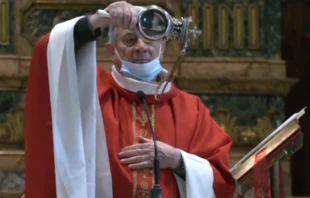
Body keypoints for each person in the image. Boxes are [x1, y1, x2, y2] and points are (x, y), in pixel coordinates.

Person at [24, 1, 235, 198]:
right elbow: (50, 55)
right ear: (111, 51)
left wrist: (178, 160)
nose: (141, 47)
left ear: (163, 47)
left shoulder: (191, 109)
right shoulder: (89, 92)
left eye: (150, 38)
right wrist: (99, 20)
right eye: (130, 40)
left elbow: (221, 179)